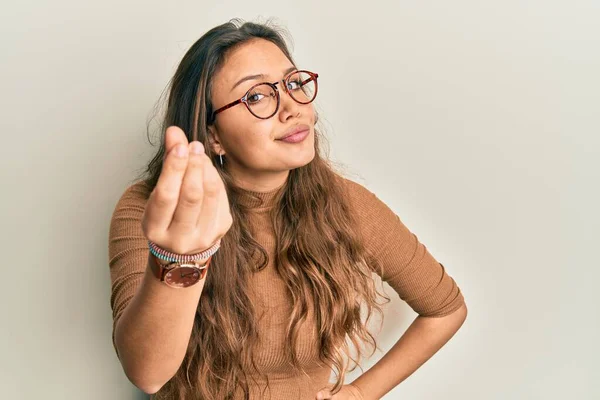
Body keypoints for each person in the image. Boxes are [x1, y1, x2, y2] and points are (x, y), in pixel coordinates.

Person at [108, 18, 467, 400]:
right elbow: (147, 374)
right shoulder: (147, 209)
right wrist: (182, 258)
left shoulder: (346, 203)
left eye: (293, 84)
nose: (293, 107)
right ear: (213, 135)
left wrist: (361, 393)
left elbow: (446, 308)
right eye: (256, 96)